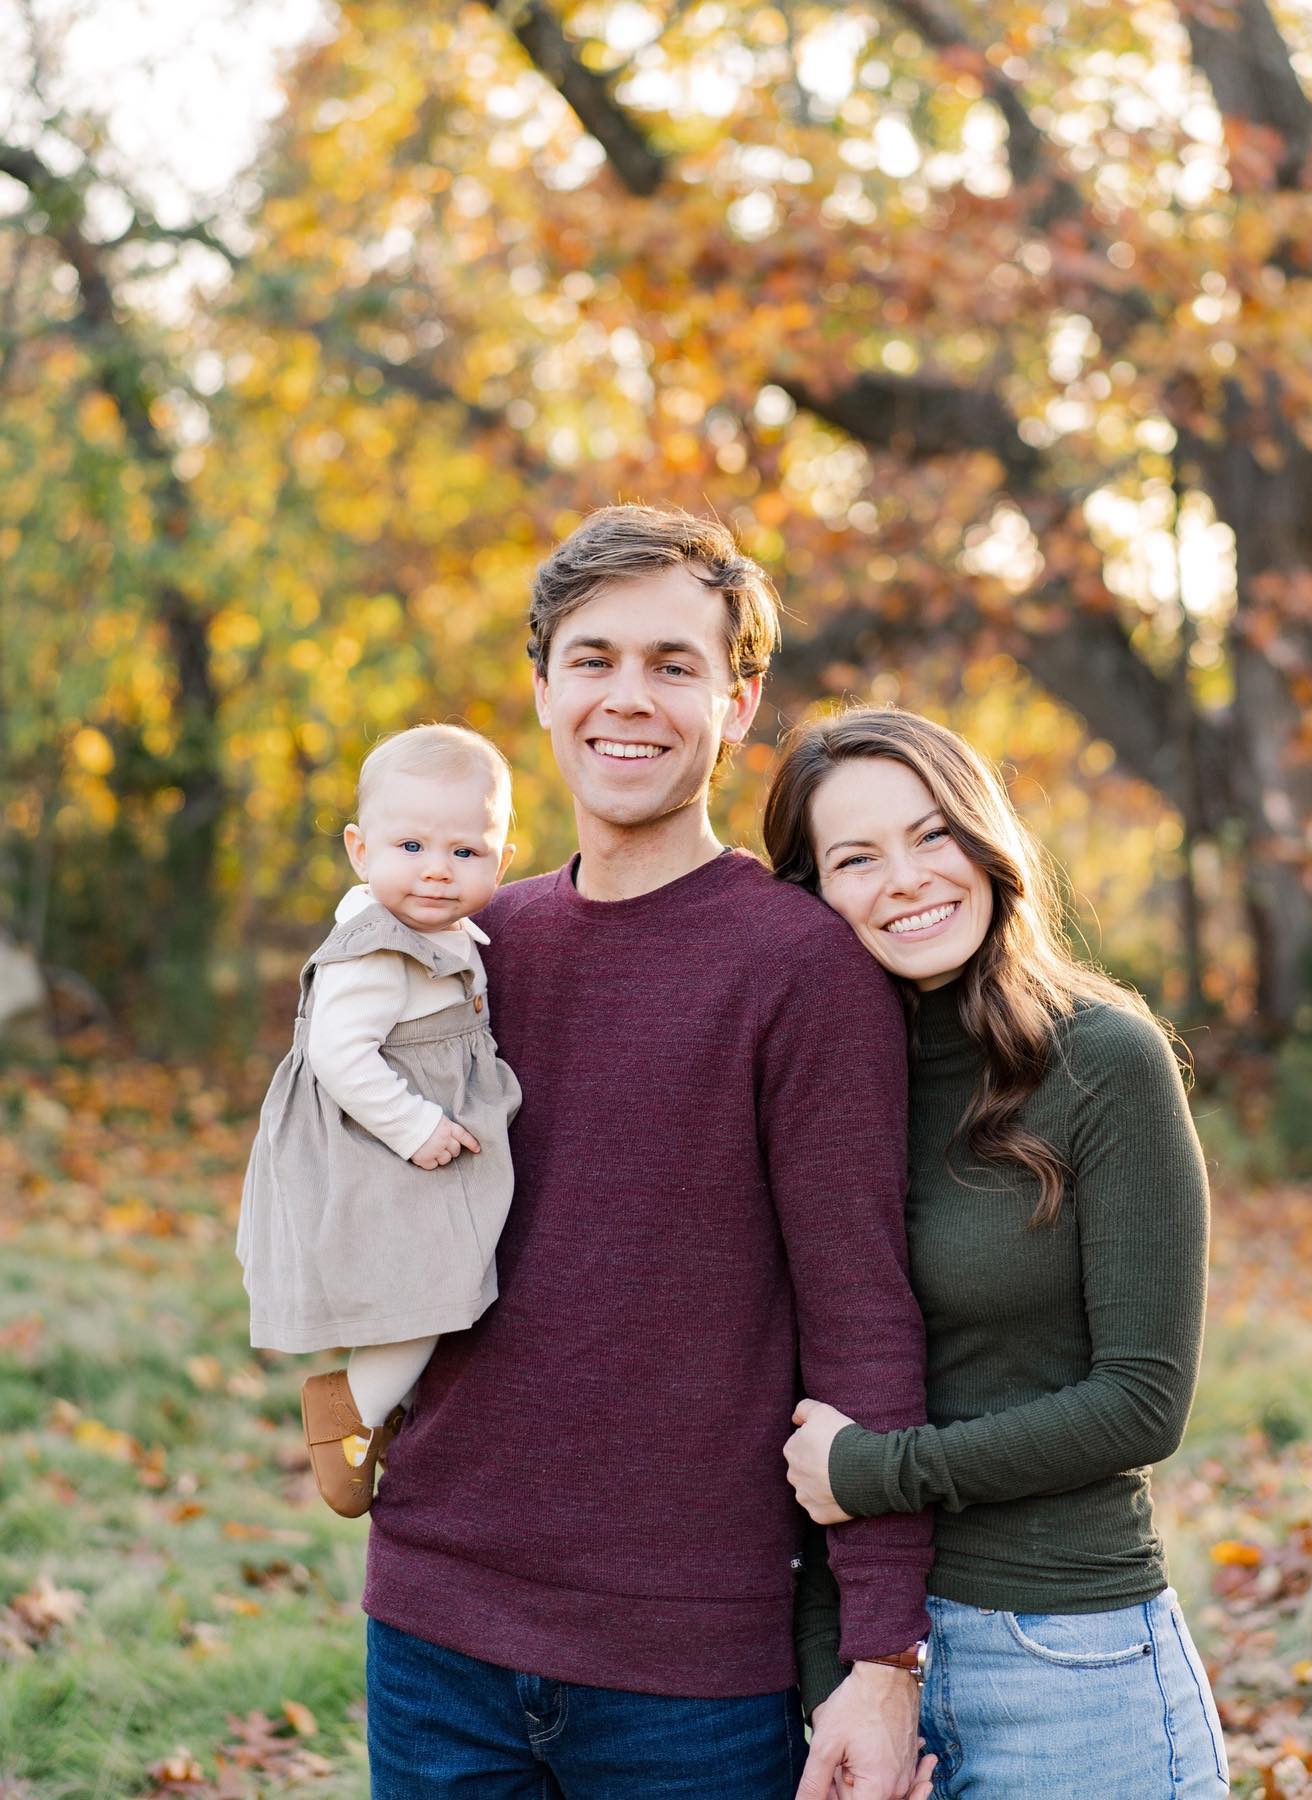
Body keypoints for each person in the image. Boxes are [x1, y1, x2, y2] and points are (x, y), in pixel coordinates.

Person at [362, 507, 936, 1799]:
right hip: (433, 1627)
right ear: (543, 686)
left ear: (737, 706)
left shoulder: (805, 971)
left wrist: (883, 1654)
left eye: (674, 666)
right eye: (595, 658)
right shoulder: (465, 953)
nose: (630, 699)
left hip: (686, 1670)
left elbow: (864, 1320)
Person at [767, 708, 1229, 1798]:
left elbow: (1142, 1401)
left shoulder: (1102, 1060)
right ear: (811, 895)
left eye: (933, 835)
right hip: (864, 1668)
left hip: (1069, 1658)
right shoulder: (804, 1095)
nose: (909, 880)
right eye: (857, 858)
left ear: (986, 838)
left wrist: (881, 1474)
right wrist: (832, 1676)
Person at [238, 723, 521, 1515]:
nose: (437, 870)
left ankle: (377, 1403)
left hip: (406, 1144)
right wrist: (413, 1125)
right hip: (378, 1146)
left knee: (431, 1287)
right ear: (361, 850)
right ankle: (351, 1411)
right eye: (411, 846)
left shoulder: (443, 931)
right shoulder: (376, 949)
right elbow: (337, 1052)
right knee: (429, 1290)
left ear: (501, 861)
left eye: (465, 853)